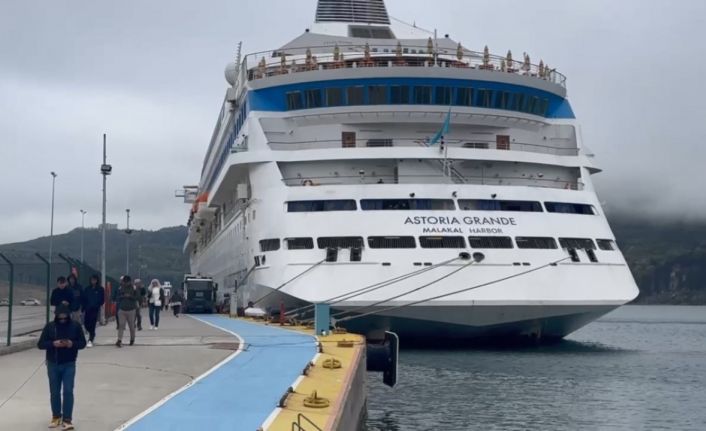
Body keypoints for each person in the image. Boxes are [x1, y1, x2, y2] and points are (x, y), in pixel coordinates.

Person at [37, 303, 87, 430]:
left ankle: (67, 419)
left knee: (68, 391)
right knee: (54, 391)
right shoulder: (50, 326)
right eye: (60, 317)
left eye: (65, 316)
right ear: (56, 316)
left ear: (69, 315)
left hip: (69, 363)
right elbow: (40, 344)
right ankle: (56, 416)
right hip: (53, 363)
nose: (63, 319)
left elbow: (82, 343)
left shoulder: (75, 326)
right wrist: (53, 344)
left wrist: (71, 344)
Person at [81, 275, 104, 348]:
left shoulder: (100, 289)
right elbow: (84, 298)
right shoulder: (87, 289)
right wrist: (83, 308)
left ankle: (91, 338)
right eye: (92, 280)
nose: (93, 281)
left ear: (97, 280)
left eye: (94, 280)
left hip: (95, 309)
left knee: (93, 323)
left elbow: (102, 299)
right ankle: (92, 333)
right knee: (86, 323)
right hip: (87, 308)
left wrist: (98, 304)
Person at [115, 275, 138, 347]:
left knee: (131, 326)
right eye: (124, 282)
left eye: (127, 282)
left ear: (130, 282)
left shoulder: (134, 288)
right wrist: (123, 296)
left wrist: (130, 296)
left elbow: (137, 297)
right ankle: (119, 340)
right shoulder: (120, 288)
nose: (125, 283)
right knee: (121, 325)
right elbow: (117, 297)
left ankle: (132, 339)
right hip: (122, 309)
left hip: (131, 310)